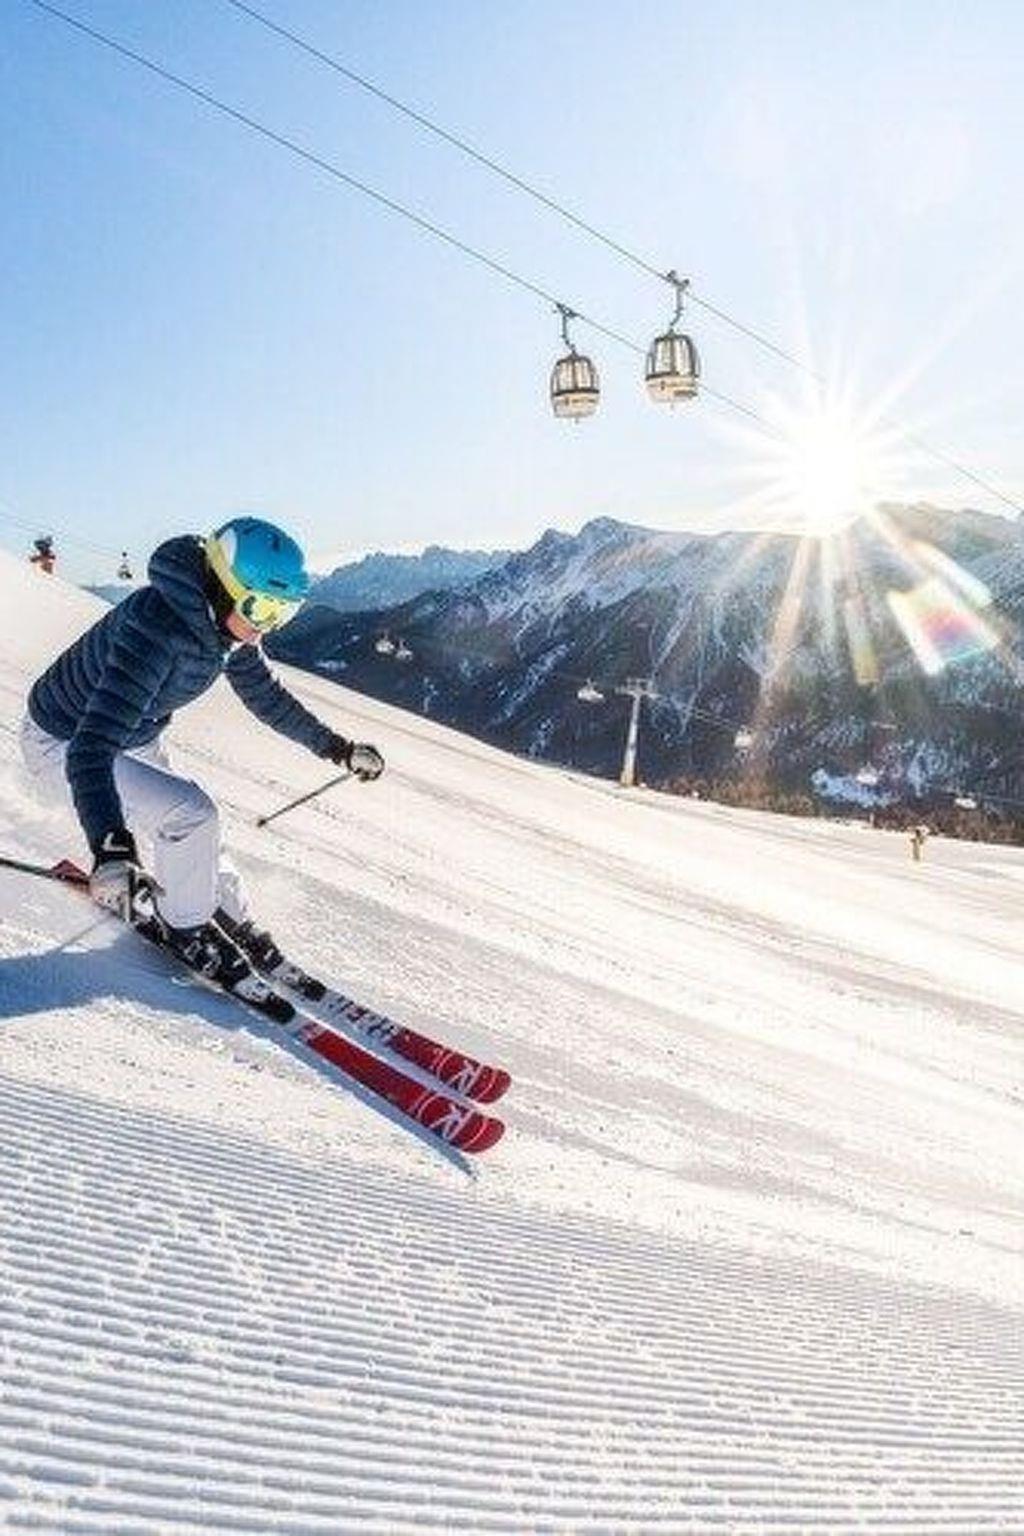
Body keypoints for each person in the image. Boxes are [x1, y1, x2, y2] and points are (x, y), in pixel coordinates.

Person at [21, 516, 384, 985]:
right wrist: (110, 848)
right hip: (64, 741)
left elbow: (268, 697)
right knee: (192, 816)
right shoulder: (156, 631)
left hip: (133, 736)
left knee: (199, 837)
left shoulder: (224, 627)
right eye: (260, 608)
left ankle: (228, 915)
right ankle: (187, 929)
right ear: (223, 587)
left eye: (282, 614)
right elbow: (90, 748)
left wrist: (337, 748)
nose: (264, 627)